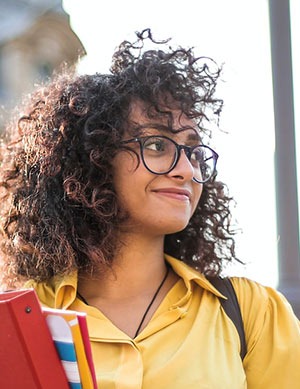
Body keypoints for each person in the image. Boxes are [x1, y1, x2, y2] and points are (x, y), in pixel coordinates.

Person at [0, 28, 299, 388]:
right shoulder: (20, 320)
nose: (186, 170)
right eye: (157, 145)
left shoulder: (251, 313)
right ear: (94, 160)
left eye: (192, 150)